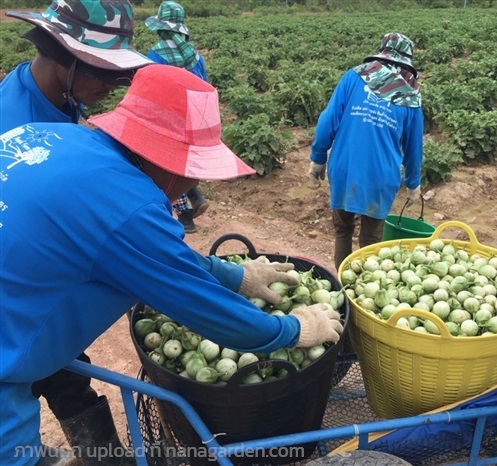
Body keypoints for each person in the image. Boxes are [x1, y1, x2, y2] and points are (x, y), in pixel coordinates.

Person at [0, 64, 344, 466]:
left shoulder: (55, 135)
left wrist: (237, 277)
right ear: (168, 162)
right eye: (193, 170)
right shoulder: (130, 207)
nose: (192, 182)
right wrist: (294, 329)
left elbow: (151, 254)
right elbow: (210, 312)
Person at [0, 1, 152, 464]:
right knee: (31, 378)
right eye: (104, 73)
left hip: (35, 282)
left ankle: (100, 455)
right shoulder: (16, 123)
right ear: (66, 58)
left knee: (66, 369)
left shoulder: (54, 99)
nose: (112, 87)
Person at [308, 33, 424, 271]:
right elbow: (414, 146)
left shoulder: (354, 77)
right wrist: (413, 183)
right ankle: (360, 294)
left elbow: (328, 120)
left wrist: (318, 158)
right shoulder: (411, 96)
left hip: (344, 166)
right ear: (407, 62)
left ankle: (341, 285)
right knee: (371, 240)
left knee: (342, 230)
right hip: (380, 175)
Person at [145, 0, 210, 233]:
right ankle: (196, 195)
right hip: (193, 121)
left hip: (168, 121)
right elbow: (206, 87)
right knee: (182, 164)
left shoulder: (156, 54)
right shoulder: (195, 56)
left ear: (162, 28)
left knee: (166, 168)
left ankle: (185, 218)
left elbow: (150, 89)